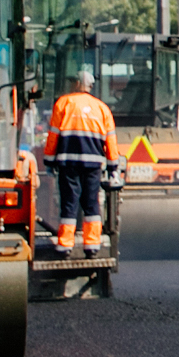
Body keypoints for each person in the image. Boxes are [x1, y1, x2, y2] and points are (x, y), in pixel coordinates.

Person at [42, 74, 115, 252]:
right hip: (93, 165)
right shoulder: (102, 108)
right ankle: (92, 245)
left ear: (76, 84)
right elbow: (111, 141)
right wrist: (113, 167)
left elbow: (53, 136)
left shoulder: (63, 103)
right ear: (90, 86)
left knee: (69, 202)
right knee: (91, 202)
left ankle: (66, 244)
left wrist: (49, 161)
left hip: (69, 163)